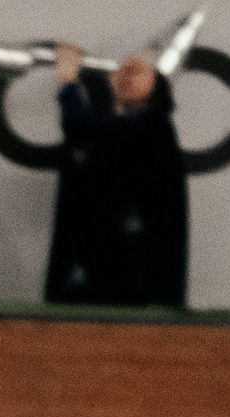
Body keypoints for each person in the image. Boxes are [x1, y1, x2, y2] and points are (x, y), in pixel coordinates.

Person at [44, 46, 188, 310]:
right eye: (126, 70)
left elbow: (82, 129)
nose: (128, 72)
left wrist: (68, 82)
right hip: (97, 277)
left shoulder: (153, 130)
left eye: (142, 71)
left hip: (134, 286)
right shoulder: (119, 133)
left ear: (158, 85)